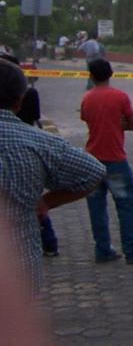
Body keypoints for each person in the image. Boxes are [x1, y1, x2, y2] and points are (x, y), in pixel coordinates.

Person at [0, 58, 105, 294]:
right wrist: (47, 201)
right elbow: (94, 171)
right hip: (19, 270)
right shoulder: (41, 142)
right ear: (19, 101)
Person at [80, 59, 133, 265]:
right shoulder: (120, 97)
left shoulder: (87, 98)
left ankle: (103, 249)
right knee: (127, 205)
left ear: (90, 75)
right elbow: (132, 124)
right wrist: (120, 123)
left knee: (96, 207)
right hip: (115, 159)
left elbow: (87, 120)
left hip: (91, 159)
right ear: (111, 73)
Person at [0, 53, 59, 257]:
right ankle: (49, 242)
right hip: (29, 145)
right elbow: (35, 116)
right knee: (31, 200)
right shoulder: (31, 93)